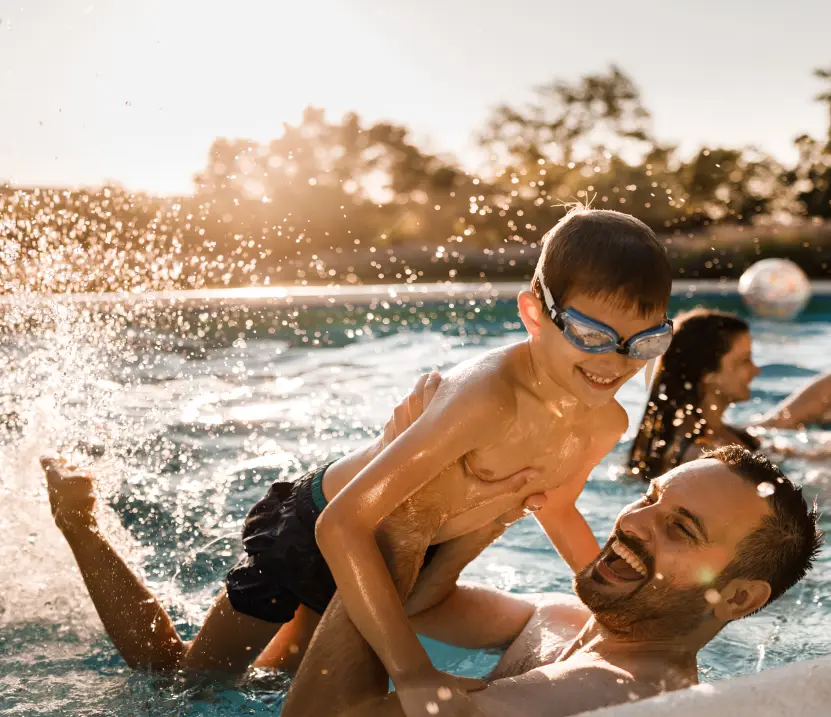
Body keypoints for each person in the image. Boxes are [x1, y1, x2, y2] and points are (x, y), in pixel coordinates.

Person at [43, 208, 674, 717]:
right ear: (535, 312)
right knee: (184, 681)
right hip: (314, 531)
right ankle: (81, 524)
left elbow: (555, 507)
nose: (614, 363)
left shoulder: (603, 420)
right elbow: (339, 526)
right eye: (591, 336)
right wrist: (412, 670)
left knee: (275, 680)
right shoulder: (487, 397)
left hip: (400, 558)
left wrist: (614, 605)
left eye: (644, 342)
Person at [280, 445, 822, 717]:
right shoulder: (563, 619)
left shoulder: (610, 694)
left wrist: (404, 523)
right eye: (651, 499)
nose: (632, 522)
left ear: (738, 596)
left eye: (679, 528)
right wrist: (494, 510)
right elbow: (415, 608)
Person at [628, 308, 831, 482]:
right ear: (708, 374)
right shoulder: (698, 457)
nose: (755, 370)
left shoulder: (728, 434)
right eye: (744, 360)